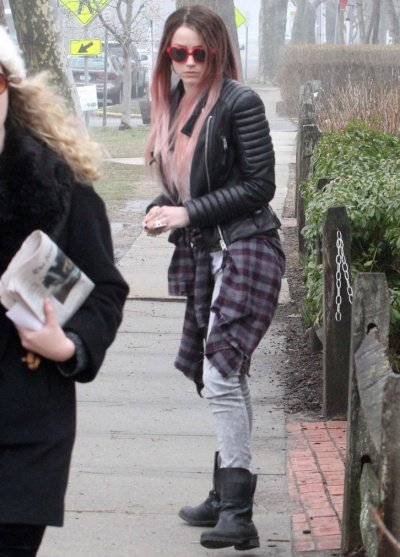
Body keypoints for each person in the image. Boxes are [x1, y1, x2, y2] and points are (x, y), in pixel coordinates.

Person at [142, 5, 285, 551]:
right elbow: (187, 186)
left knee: (223, 373)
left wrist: (188, 214)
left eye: (200, 53)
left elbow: (260, 186)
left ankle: (238, 515)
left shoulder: (239, 102)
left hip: (248, 248)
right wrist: (163, 209)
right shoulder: (174, 104)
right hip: (209, 253)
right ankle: (227, 493)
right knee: (225, 375)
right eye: (179, 52)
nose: (190, 62)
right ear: (167, 54)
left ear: (218, 52)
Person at [0, 27, 129, 556]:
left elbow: (104, 291)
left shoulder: (58, 186)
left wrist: (69, 345)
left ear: (9, 87)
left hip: (26, 428)